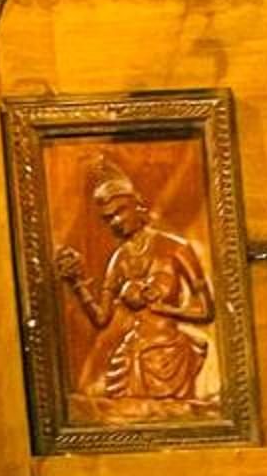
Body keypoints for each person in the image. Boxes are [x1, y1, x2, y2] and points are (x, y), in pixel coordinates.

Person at [58, 159, 215, 406]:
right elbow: (101, 318)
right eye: (108, 218)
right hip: (131, 359)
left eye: (120, 211)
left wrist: (164, 309)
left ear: (138, 204)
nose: (115, 221)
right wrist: (77, 283)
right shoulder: (119, 259)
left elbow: (207, 311)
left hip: (170, 355)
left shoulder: (177, 248)